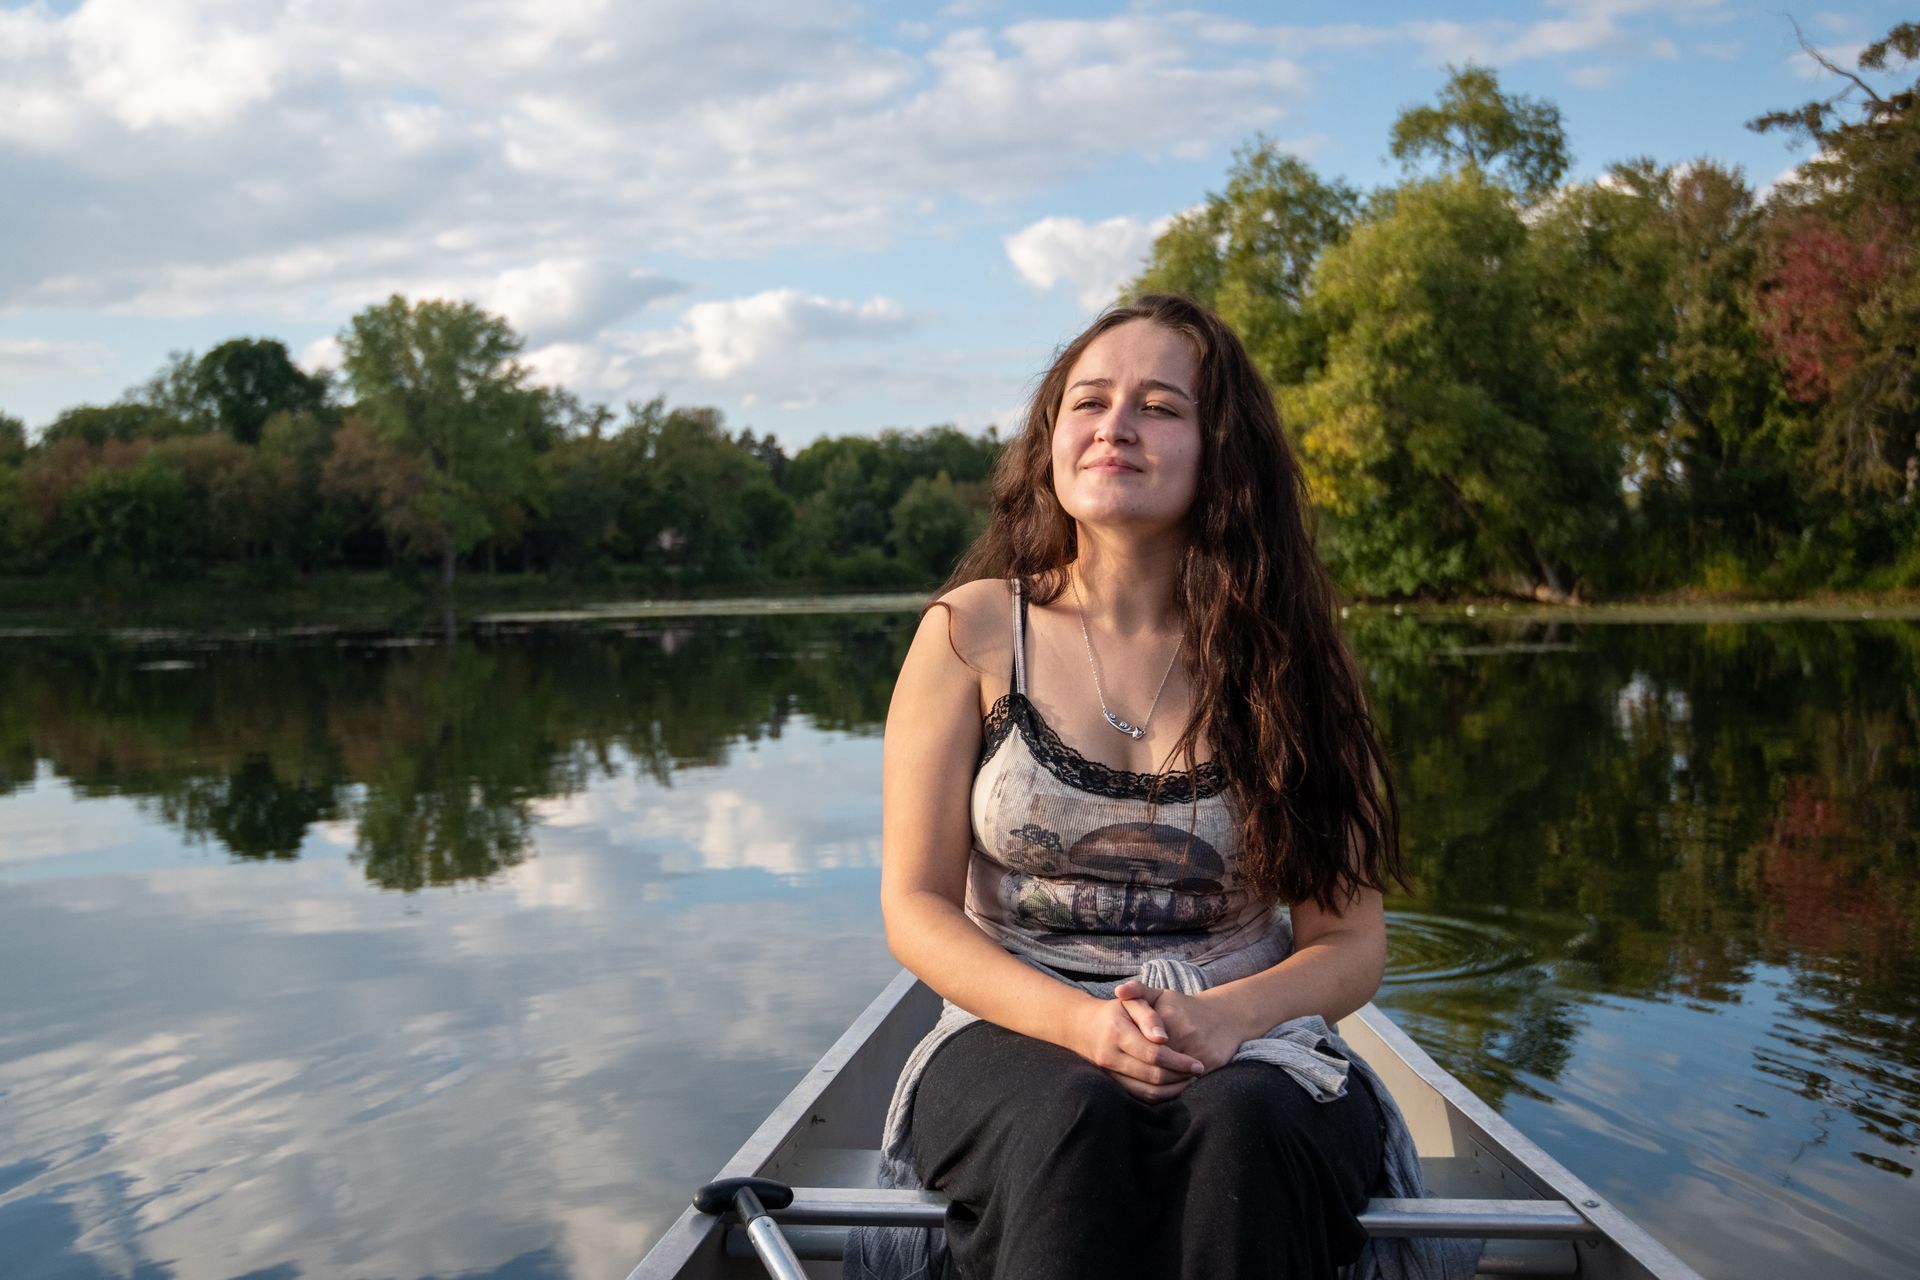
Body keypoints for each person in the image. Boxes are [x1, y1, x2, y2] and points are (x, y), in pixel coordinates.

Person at [872, 294, 1416, 1280]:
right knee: (1072, 1113)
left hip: (1247, 1033)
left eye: (1160, 406)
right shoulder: (972, 630)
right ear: (1052, 439)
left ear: (1222, 446)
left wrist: (1229, 1017)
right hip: (1014, 1029)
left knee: (1241, 1124)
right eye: (1089, 401)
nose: (1115, 424)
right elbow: (914, 905)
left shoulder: (1294, 655)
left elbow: (1349, 939)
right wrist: (1082, 1023)